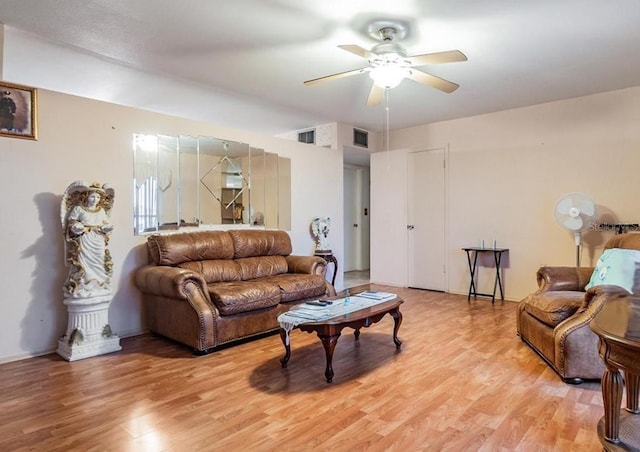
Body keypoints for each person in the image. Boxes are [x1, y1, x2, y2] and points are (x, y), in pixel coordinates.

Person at [61, 182, 115, 298]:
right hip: (85, 239)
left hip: (98, 239)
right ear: (86, 196)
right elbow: (71, 222)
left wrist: (106, 228)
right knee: (84, 261)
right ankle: (84, 283)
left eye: (98, 197)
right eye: (92, 196)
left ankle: (99, 283)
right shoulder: (79, 209)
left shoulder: (101, 211)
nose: (95, 199)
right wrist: (76, 226)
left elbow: (105, 224)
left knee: (99, 260)